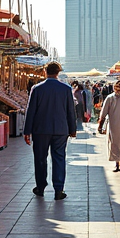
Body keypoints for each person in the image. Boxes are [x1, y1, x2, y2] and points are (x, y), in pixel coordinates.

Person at [24, 61, 79, 200]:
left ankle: (41, 187)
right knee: (59, 158)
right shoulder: (66, 89)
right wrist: (73, 129)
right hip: (61, 130)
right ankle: (58, 189)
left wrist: (27, 131)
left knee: (40, 159)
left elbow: (31, 111)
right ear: (58, 72)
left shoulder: (37, 89)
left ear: (45, 71)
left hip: (40, 130)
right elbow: (70, 111)